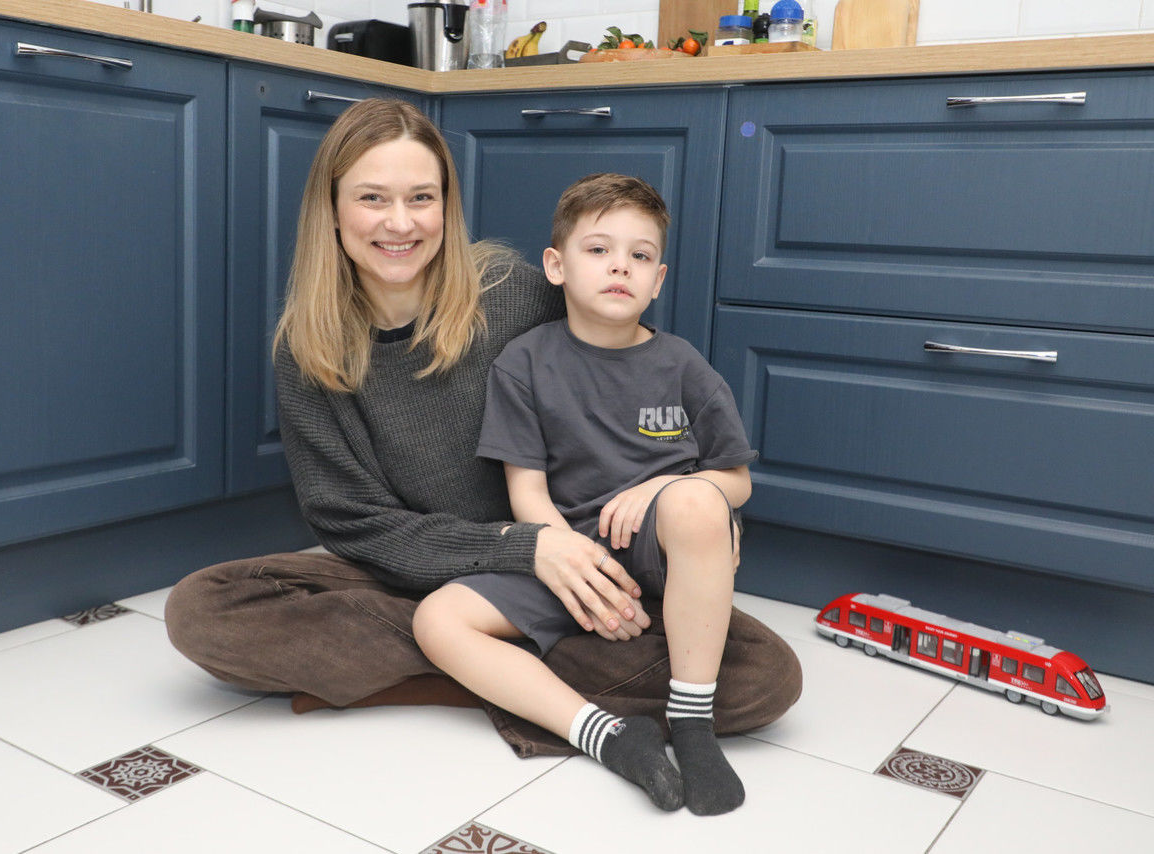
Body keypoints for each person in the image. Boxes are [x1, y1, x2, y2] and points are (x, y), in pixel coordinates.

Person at [163, 99, 802, 761]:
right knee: (204, 609)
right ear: (331, 209)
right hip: (419, 572)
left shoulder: (515, 292)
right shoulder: (309, 350)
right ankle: (495, 669)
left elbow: (629, 375)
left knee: (765, 674)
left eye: (421, 197)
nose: (400, 222)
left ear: (447, 206)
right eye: (372, 198)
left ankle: (452, 670)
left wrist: (694, 507)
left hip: (564, 572)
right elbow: (355, 526)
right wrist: (521, 548)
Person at [412, 173, 755, 815]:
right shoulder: (523, 363)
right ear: (556, 266)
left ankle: (692, 723)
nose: (620, 265)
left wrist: (667, 485)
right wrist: (579, 569)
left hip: (667, 548)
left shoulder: (684, 366)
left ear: (658, 280)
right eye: (598, 249)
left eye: (640, 255)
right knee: (436, 619)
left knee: (697, 502)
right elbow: (527, 493)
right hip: (570, 548)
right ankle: (608, 735)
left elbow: (736, 480)